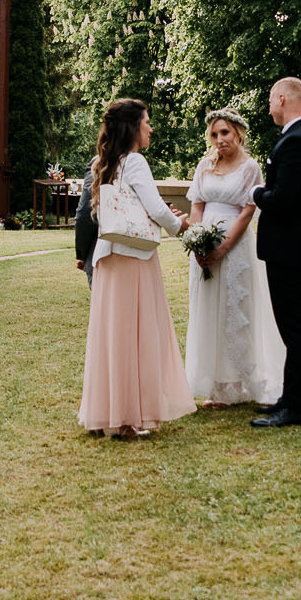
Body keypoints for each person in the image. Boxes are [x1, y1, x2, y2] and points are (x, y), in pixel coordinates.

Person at [77, 98, 194, 437]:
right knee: (135, 335)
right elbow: (155, 208)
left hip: (108, 256)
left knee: (111, 335)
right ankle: (126, 419)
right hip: (134, 257)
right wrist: (179, 225)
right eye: (146, 122)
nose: (151, 128)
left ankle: (104, 413)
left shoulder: (104, 163)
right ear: (132, 127)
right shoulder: (136, 162)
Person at [183, 108, 286, 406]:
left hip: (235, 246)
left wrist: (223, 248)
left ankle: (236, 383)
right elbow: (197, 205)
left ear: (238, 133)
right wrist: (198, 242)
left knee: (233, 311)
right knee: (208, 310)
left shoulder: (250, 168)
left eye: (225, 132)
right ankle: (214, 383)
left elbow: (247, 212)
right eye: (214, 134)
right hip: (205, 246)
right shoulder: (205, 165)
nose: (220, 139)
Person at [247, 77, 301, 428]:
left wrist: (256, 194)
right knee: (291, 328)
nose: (269, 107)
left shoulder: (297, 141)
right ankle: (289, 398)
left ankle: (297, 407)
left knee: (294, 330)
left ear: (282, 98)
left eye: (270, 100)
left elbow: (282, 199)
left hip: (290, 248)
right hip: (291, 247)